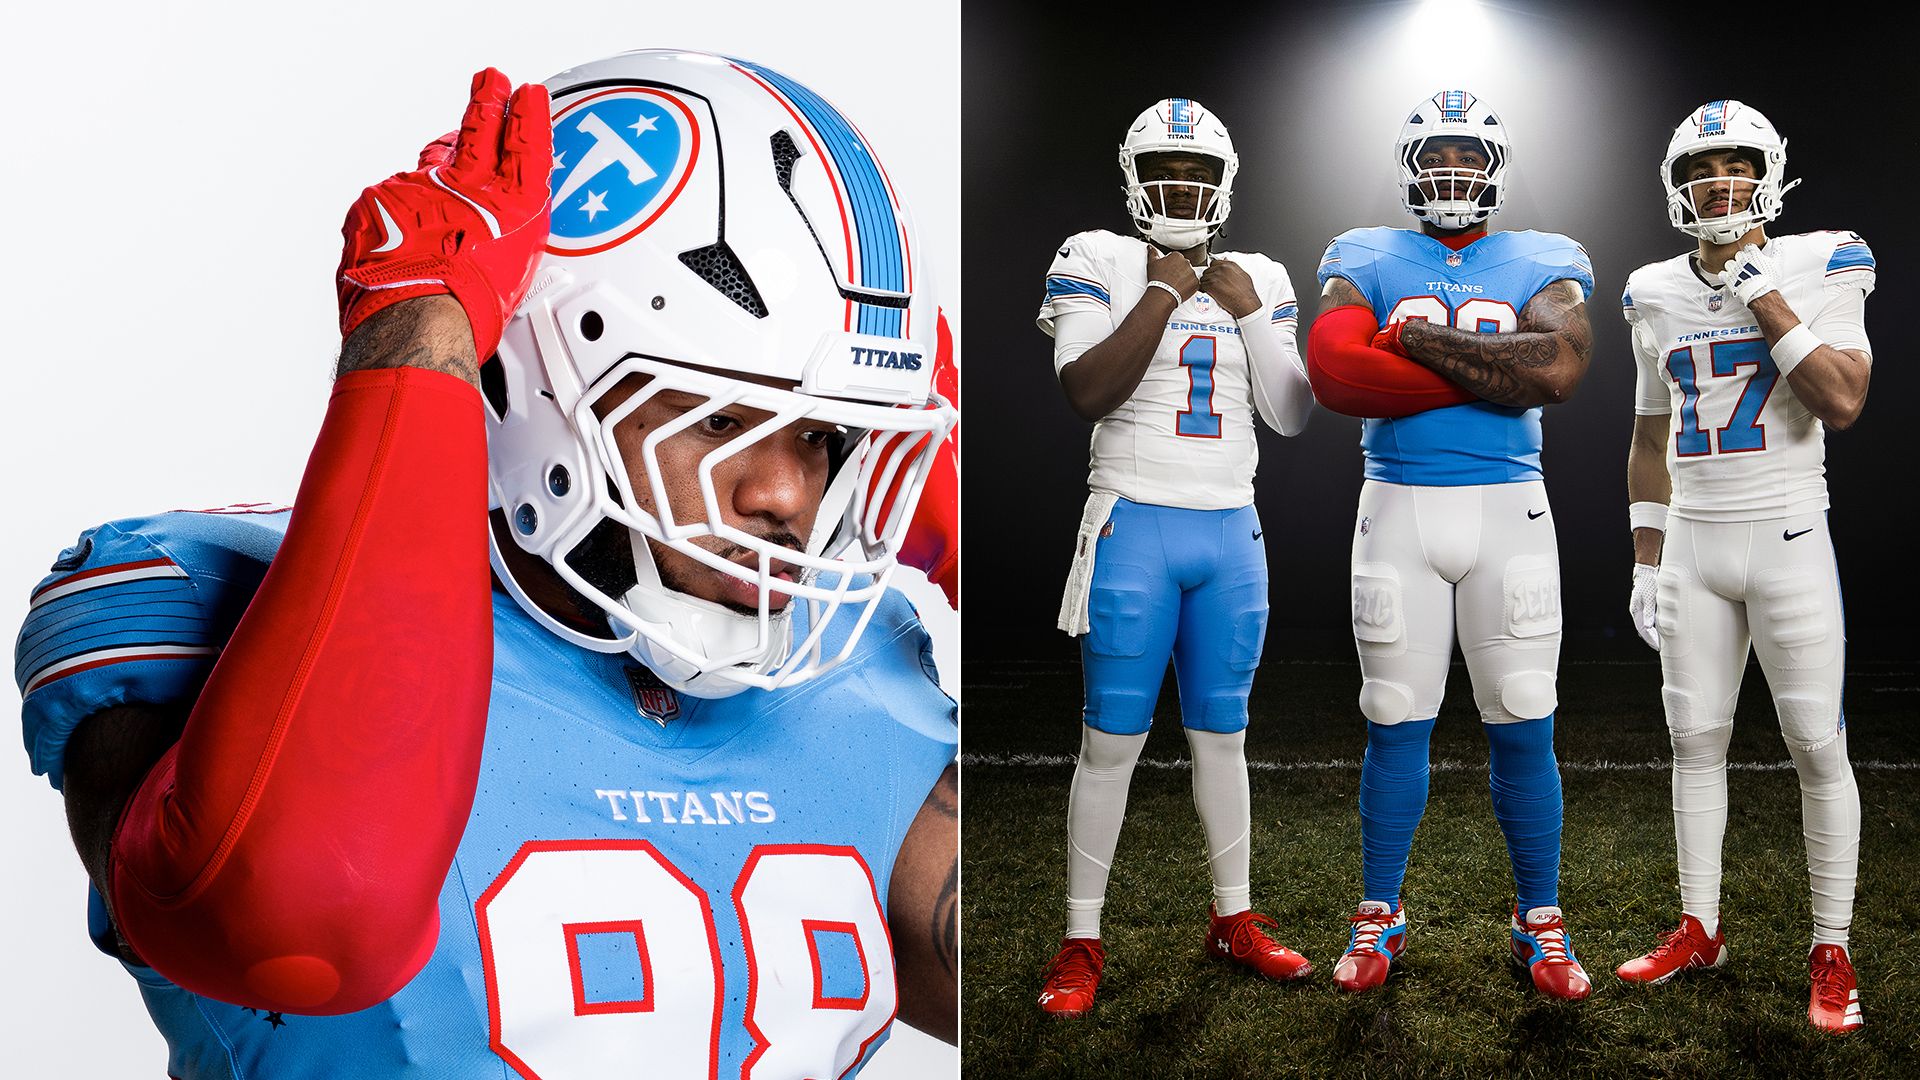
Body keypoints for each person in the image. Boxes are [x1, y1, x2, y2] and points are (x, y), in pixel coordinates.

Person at [15, 50, 959, 1078]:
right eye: (723, 416)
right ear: (535, 386)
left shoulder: (855, 668)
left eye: (822, 436)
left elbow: (1041, 980)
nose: (786, 494)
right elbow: (299, 919)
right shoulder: (203, 603)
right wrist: (419, 341)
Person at [1304, 89, 1594, 1000]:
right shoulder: (1364, 253)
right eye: (1436, 156)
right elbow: (1339, 371)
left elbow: (1561, 368)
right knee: (1393, 712)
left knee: (1524, 707)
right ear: (1409, 166)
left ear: (1497, 167)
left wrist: (1419, 340)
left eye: (1469, 155)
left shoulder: (1547, 258)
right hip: (1397, 508)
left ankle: (1539, 922)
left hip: (1509, 511)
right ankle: (1379, 913)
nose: (1453, 171)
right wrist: (1490, 379)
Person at [1031, 97, 1316, 1018]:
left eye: (1196, 174)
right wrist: (1165, 289)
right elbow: (1087, 390)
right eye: (1165, 172)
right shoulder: (1098, 256)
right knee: (1109, 741)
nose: (1181, 187)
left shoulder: (1259, 274)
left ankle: (1233, 917)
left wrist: (1251, 316)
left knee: (1222, 736)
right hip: (1132, 527)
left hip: (1232, 532)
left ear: (1225, 182)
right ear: (1133, 179)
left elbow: (1293, 411)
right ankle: (1082, 938)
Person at [1613, 99, 1872, 1034]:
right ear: (1677, 187)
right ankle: (1699, 925)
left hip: (1790, 536)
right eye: (1700, 171)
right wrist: (1646, 557)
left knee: (1815, 743)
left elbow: (1842, 400)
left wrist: (1765, 293)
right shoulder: (1650, 288)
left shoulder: (1823, 257)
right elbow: (1648, 436)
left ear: (1769, 172)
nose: (1718, 184)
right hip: (1694, 547)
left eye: (1735, 166)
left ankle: (1831, 947)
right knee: (1695, 742)